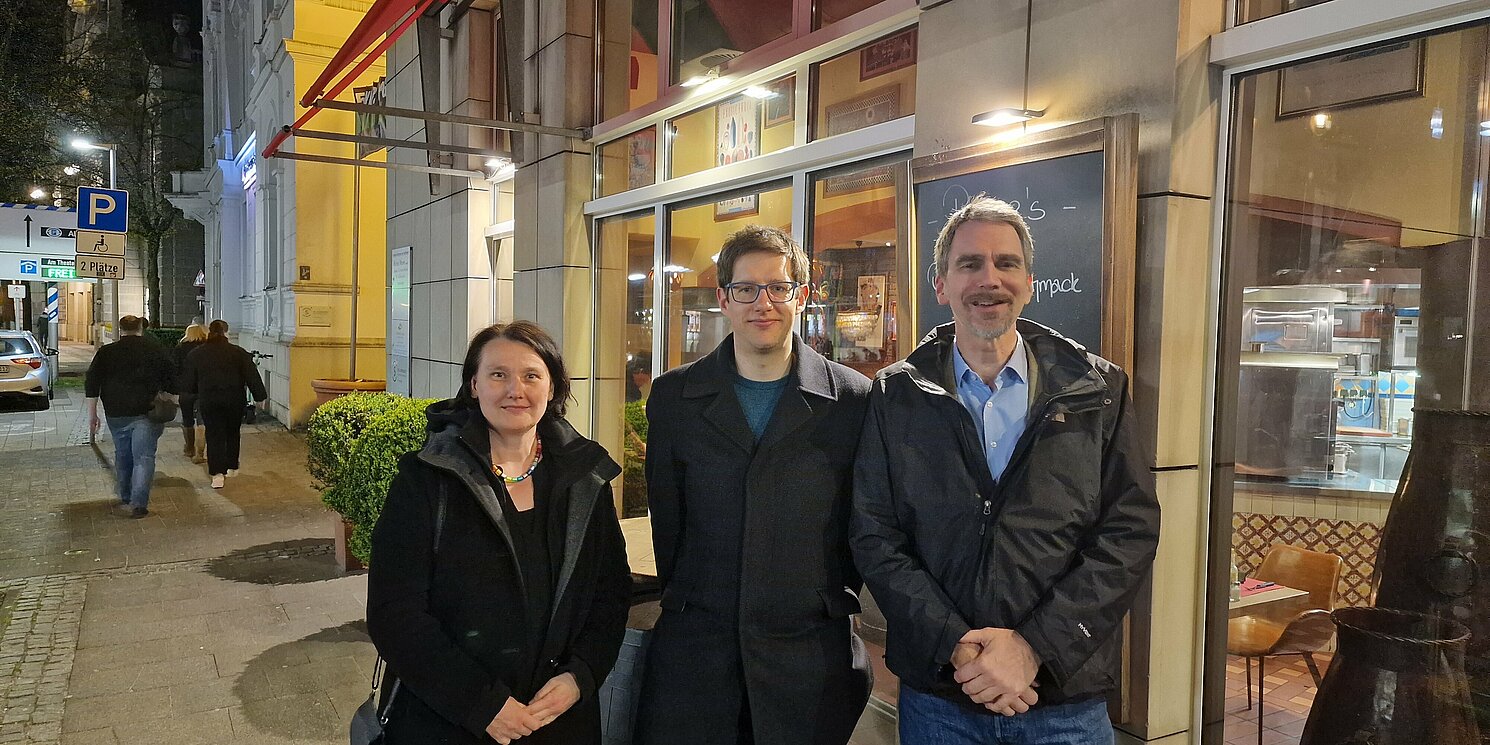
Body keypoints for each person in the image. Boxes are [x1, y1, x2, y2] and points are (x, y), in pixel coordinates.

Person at [851, 196, 1161, 744]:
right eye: (969, 263)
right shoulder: (895, 395)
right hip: (943, 697)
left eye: (1006, 263)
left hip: (1063, 700)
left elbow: (1128, 531)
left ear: (1030, 282)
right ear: (941, 284)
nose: (988, 279)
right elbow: (875, 535)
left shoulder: (1098, 391)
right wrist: (957, 646)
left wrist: (1032, 648)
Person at [636, 226, 872, 745]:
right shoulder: (676, 397)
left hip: (809, 653)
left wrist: (820, 595)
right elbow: (668, 524)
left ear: (802, 297)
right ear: (723, 299)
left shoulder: (854, 400)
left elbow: (862, 525)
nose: (763, 303)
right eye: (746, 289)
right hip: (699, 649)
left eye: (778, 287)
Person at [366, 321, 632, 745]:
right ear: (474, 385)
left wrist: (581, 676)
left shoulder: (585, 478)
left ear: (553, 387)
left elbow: (610, 594)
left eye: (531, 375)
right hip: (448, 720)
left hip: (558, 721)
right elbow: (394, 613)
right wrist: (481, 704)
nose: (515, 390)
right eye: (498, 375)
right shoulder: (427, 479)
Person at [85, 315, 176, 518]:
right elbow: (172, 378)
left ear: (120, 329)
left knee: (123, 454)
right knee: (143, 457)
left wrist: (93, 415)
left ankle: (125, 495)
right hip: (147, 412)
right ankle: (138, 503)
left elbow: (92, 383)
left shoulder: (107, 352)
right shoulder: (155, 350)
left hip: (116, 412)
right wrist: (169, 396)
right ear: (140, 328)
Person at [182, 320, 267, 489]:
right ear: (226, 333)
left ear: (209, 332)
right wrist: (260, 396)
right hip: (234, 399)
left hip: (209, 400)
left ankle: (217, 473)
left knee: (214, 435)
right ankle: (231, 465)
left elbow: (189, 383)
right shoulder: (239, 353)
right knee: (232, 432)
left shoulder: (197, 354)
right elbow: (252, 376)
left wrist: (193, 393)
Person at [173, 324, 209, 462]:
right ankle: (200, 452)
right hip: (203, 388)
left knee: (187, 418)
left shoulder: (180, 348)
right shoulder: (207, 348)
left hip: (186, 388)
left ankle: (189, 448)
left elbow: (175, 368)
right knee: (202, 419)